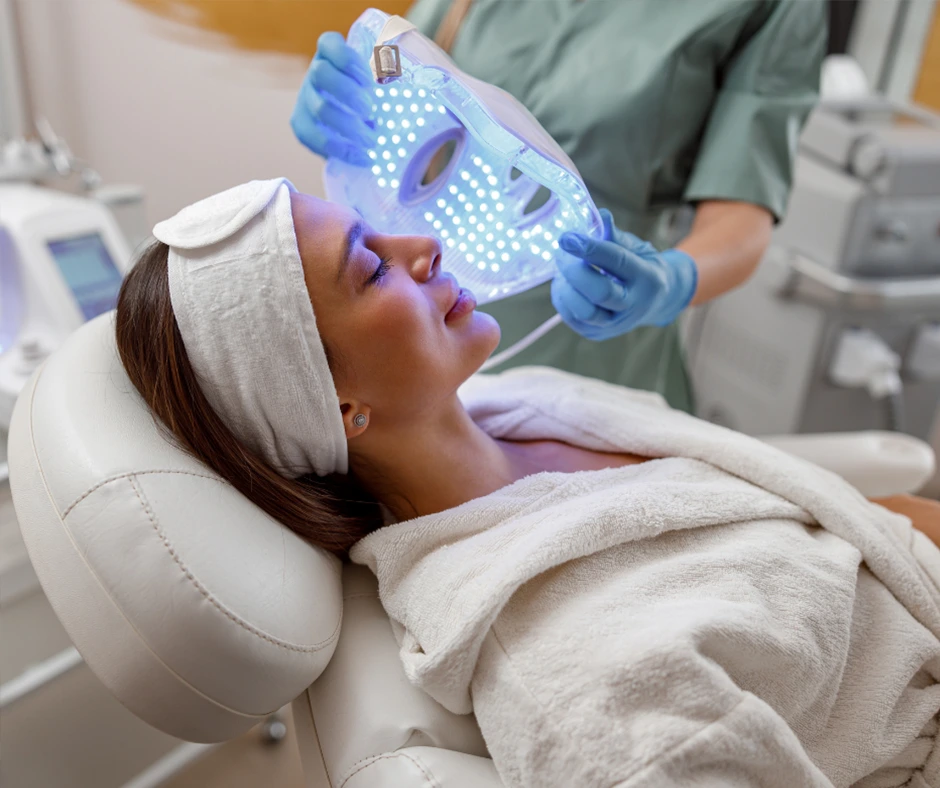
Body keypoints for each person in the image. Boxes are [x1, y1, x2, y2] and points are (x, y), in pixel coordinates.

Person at [116, 180, 940, 785]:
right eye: (372, 269)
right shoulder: (572, 669)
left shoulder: (530, 402)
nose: (422, 245)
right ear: (336, 404)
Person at [290, 0, 827, 412]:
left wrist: (669, 281)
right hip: (415, 332)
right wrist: (349, 106)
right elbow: (401, 66)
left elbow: (741, 216)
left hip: (594, 336)